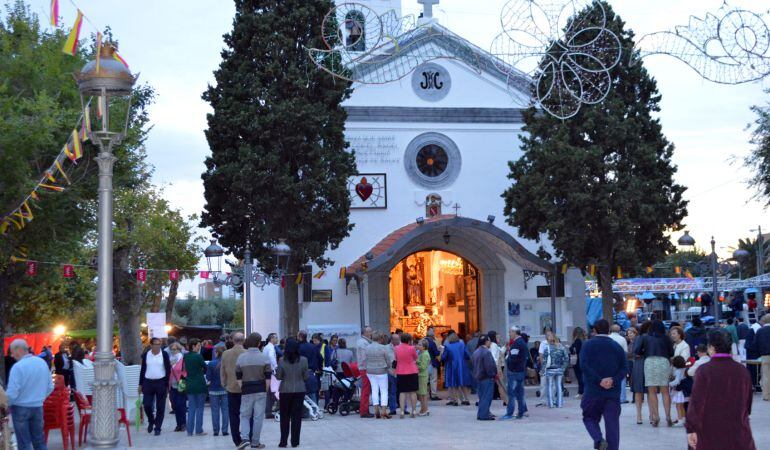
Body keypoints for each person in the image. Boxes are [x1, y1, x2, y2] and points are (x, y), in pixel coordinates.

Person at [686, 329, 756, 450]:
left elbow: (696, 403)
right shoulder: (742, 371)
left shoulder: (704, 371)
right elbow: (747, 405)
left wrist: (692, 428)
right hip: (738, 431)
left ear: (711, 348)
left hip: (710, 431)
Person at [579, 319, 627, 450]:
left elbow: (584, 365)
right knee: (612, 425)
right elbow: (624, 368)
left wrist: (598, 380)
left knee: (589, 417)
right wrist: (613, 380)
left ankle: (599, 439)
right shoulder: (617, 346)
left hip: (593, 391)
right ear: (609, 330)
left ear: (594, 330)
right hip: (612, 392)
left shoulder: (587, 345)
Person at [6, 339, 53, 450]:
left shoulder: (17, 367)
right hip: (38, 407)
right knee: (39, 442)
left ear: (18, 350)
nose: (12, 356)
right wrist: (40, 398)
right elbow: (50, 387)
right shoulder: (41, 363)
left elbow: (12, 393)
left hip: (20, 408)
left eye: (12, 352)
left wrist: (6, 404)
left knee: (24, 444)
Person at [236, 332, 272, 450]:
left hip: (246, 389)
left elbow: (238, 377)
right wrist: (265, 390)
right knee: (258, 417)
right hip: (260, 389)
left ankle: (245, 438)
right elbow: (268, 377)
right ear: (258, 343)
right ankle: (255, 442)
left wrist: (242, 388)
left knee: (245, 416)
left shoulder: (241, 358)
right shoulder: (264, 358)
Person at [635, 319, 674, 427]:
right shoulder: (666, 338)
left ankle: (656, 416)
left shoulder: (646, 338)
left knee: (651, 391)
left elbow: (637, 351)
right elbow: (671, 353)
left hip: (650, 362)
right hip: (663, 362)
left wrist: (644, 351)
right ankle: (668, 416)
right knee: (665, 391)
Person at [276, 338, 308, 448]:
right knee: (296, 416)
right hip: (300, 390)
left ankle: (283, 441)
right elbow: (305, 376)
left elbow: (279, 376)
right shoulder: (304, 360)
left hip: (285, 390)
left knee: (284, 416)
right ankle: (295, 441)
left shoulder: (281, 360)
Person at [139, 337, 171, 435]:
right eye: (155, 344)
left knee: (160, 407)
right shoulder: (146, 355)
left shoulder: (164, 354)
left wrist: (166, 384)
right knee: (147, 404)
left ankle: (158, 428)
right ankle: (151, 420)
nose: (157, 346)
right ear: (151, 345)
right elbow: (143, 369)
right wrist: (140, 384)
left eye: (159, 344)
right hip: (148, 382)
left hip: (161, 382)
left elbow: (168, 369)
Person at [221, 332, 247, 446]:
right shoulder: (246, 353)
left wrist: (224, 384)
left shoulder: (226, 354)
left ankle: (236, 439)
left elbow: (222, 371)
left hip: (231, 387)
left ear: (233, 341)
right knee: (248, 413)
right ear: (243, 340)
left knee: (233, 414)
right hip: (246, 388)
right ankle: (249, 436)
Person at [501, 325, 528, 420]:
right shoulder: (521, 342)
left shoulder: (517, 343)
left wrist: (509, 364)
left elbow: (513, 359)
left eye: (510, 332)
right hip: (520, 371)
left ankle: (509, 413)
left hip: (515, 372)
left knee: (512, 394)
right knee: (520, 394)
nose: (509, 334)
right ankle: (520, 413)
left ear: (515, 332)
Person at [364, 331, 393, 419]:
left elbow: (365, 359)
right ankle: (384, 411)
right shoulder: (383, 347)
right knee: (384, 390)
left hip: (370, 371)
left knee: (374, 390)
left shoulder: (367, 347)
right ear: (380, 338)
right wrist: (388, 367)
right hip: (381, 370)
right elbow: (388, 360)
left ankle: (376, 410)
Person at [184, 338, 208, 436]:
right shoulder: (198, 357)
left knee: (191, 408)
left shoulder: (186, 357)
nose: (199, 347)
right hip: (200, 383)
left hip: (189, 384)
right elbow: (205, 367)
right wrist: (201, 372)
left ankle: (189, 430)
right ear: (193, 346)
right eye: (198, 345)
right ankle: (198, 430)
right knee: (200, 408)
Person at [441, 331, 471, 406]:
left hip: (452, 366)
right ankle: (466, 399)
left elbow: (444, 357)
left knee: (453, 383)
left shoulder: (448, 346)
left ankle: (455, 400)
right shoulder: (462, 344)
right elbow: (467, 354)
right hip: (462, 365)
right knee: (463, 383)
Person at [471, 335, 497, 421]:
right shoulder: (486, 352)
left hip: (478, 377)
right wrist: (493, 374)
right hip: (486, 377)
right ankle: (484, 414)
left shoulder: (476, 351)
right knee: (487, 397)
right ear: (486, 342)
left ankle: (481, 413)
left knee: (482, 397)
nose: (490, 343)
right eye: (489, 341)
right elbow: (489, 366)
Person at [393, 333, 419, 418]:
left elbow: (396, 359)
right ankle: (414, 411)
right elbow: (416, 358)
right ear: (409, 340)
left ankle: (401, 411)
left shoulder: (396, 348)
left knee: (402, 392)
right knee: (413, 392)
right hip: (412, 371)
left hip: (401, 371)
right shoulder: (412, 348)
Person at [207, 345, 229, 437]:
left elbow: (208, 377)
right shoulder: (227, 363)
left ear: (216, 353)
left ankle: (216, 431)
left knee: (214, 411)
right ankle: (225, 430)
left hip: (213, 390)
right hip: (225, 389)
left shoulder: (211, 363)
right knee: (225, 410)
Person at [543, 334, 569, 408]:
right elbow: (566, 358)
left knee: (550, 386)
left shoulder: (547, 348)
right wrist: (563, 368)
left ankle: (551, 404)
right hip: (559, 369)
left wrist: (542, 371)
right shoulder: (561, 347)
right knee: (559, 386)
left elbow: (544, 361)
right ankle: (559, 403)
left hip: (550, 370)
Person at [627, 326, 646, 425]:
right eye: (629, 333)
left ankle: (642, 415)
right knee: (637, 388)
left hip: (638, 365)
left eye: (631, 333)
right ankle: (640, 415)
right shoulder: (630, 343)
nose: (630, 335)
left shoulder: (638, 342)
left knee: (639, 389)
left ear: (636, 333)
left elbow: (632, 354)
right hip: (634, 365)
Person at [168, 342, 187, 432]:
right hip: (172, 385)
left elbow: (185, 372)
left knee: (180, 405)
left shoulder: (182, 359)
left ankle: (183, 424)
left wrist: (182, 378)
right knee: (174, 405)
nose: (173, 351)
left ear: (179, 350)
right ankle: (178, 424)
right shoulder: (170, 359)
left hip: (181, 383)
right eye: (171, 349)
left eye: (175, 349)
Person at [298, 331, 321, 405]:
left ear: (300, 337)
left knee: (300, 393)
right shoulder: (313, 346)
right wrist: (319, 368)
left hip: (299, 373)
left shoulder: (297, 347)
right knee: (312, 392)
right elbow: (320, 358)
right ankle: (315, 411)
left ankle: (303, 411)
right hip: (311, 372)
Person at [607, 325, 628, 403]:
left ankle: (609, 396)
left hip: (608, 362)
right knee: (622, 379)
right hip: (619, 362)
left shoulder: (608, 338)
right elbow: (625, 352)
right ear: (619, 330)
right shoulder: (622, 339)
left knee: (609, 378)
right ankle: (622, 398)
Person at [356, 326, 374, 418]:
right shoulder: (363, 343)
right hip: (365, 368)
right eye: (369, 331)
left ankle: (364, 410)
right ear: (365, 333)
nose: (371, 333)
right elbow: (364, 358)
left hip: (365, 368)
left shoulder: (364, 342)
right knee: (366, 390)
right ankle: (364, 411)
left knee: (366, 390)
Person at [487, 331, 508, 404]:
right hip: (496, 366)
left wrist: (505, 346)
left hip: (496, 366)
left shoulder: (493, 345)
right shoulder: (494, 345)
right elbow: (494, 357)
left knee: (500, 384)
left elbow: (501, 351)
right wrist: (497, 369)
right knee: (501, 384)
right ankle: (506, 400)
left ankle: (505, 399)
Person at [668, 356, 688, 427]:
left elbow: (677, 381)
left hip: (679, 391)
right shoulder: (684, 369)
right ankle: (683, 419)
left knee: (678, 406)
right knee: (682, 406)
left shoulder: (678, 371)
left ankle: (680, 420)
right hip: (683, 391)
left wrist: (669, 384)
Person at [263, 333, 278, 419]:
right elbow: (271, 356)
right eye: (276, 338)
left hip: (266, 371)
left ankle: (268, 411)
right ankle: (271, 411)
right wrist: (276, 367)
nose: (277, 340)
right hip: (272, 372)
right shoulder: (271, 347)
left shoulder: (266, 347)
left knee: (270, 393)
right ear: (271, 338)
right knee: (274, 392)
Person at [755, 314, 770, 400]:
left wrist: (759, 354)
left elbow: (756, 344)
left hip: (765, 356)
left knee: (766, 376)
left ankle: (766, 395)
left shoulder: (760, 331)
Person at [416, 339, 431, 416]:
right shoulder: (421, 353)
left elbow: (423, 366)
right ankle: (423, 408)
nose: (418, 346)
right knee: (421, 394)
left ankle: (425, 409)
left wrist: (415, 365)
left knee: (423, 393)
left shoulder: (425, 354)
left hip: (422, 375)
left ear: (424, 347)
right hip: (420, 375)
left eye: (420, 345)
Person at [425, 327, 441, 400]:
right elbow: (436, 353)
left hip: (424, 363)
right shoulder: (432, 343)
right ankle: (433, 394)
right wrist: (440, 350)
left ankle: (424, 394)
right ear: (432, 336)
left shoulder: (422, 341)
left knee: (425, 380)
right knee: (433, 379)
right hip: (432, 363)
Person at [570, 327, 586, 399]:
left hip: (577, 361)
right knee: (582, 377)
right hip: (583, 360)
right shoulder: (584, 340)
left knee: (579, 377)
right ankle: (583, 392)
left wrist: (570, 348)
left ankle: (581, 392)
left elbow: (575, 350)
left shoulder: (577, 341)